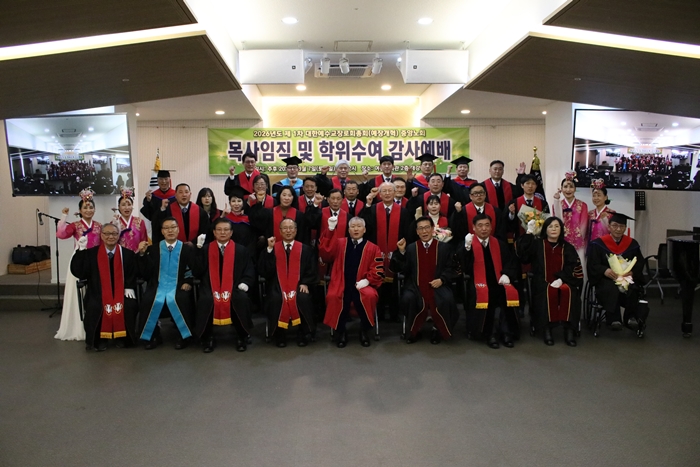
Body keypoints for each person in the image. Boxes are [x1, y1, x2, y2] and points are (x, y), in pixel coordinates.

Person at [70, 223, 139, 351]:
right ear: (101, 235)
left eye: (114, 233)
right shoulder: (91, 254)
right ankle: (99, 340)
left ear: (118, 235)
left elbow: (132, 273)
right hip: (98, 291)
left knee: (129, 305)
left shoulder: (127, 254)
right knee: (94, 305)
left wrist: (129, 286)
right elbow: (80, 272)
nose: (110, 236)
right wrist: (80, 252)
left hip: (122, 291)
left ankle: (123, 337)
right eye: (107, 233)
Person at [391, 216, 459, 344]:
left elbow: (453, 268)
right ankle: (414, 331)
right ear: (417, 232)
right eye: (421, 228)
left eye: (427, 227)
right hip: (415, 287)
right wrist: (401, 252)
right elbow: (402, 269)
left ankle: (437, 330)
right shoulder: (411, 248)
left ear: (433, 229)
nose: (424, 231)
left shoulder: (444, 248)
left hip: (439, 285)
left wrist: (442, 279)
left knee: (447, 299)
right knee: (408, 298)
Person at [516, 217, 583, 346]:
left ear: (561, 229)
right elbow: (523, 256)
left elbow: (572, 266)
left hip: (563, 280)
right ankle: (547, 329)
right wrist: (528, 234)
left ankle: (569, 330)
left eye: (557, 226)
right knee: (546, 292)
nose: (553, 229)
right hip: (542, 281)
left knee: (569, 291)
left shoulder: (568, 247)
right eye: (550, 226)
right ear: (545, 229)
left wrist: (561, 279)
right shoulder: (537, 244)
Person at [136, 217, 202, 350]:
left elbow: (193, 269)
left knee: (181, 298)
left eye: (173, 227)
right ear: (162, 231)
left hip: (179, 285)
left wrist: (188, 281)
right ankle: (153, 336)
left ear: (178, 230)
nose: (170, 230)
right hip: (157, 285)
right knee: (149, 299)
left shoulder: (187, 249)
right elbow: (146, 272)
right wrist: (142, 255)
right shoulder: (153, 249)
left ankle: (183, 336)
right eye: (166, 228)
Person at [319, 216, 384, 348]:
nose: (356, 229)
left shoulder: (373, 248)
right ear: (348, 230)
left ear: (364, 230)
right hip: (341, 283)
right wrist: (330, 229)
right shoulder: (339, 244)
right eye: (353, 226)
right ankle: (341, 332)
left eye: (359, 226)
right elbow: (326, 254)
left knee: (369, 296)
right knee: (333, 296)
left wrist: (367, 280)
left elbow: (378, 269)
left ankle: (364, 331)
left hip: (362, 284)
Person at [460, 213, 520, 349]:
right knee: (488, 295)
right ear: (473, 227)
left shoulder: (499, 244)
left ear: (491, 227)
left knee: (507, 293)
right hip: (477, 282)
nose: (484, 229)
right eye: (480, 226)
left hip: (498, 280)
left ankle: (507, 333)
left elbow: (510, 263)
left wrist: (507, 274)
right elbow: (462, 266)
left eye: (487, 225)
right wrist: (466, 248)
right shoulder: (469, 243)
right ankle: (490, 334)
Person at [195, 218, 255, 353]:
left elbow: (249, 269)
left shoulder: (241, 250)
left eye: (226, 230)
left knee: (240, 299)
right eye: (219, 230)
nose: (222, 233)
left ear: (231, 232)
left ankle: (242, 336)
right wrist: (198, 250)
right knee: (206, 300)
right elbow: (197, 271)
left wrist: (245, 282)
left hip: (234, 286)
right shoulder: (206, 249)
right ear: (214, 232)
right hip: (210, 287)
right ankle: (208, 337)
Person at [258, 219, 317, 347]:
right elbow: (265, 271)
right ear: (280, 231)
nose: (288, 231)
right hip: (277, 286)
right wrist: (269, 250)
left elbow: (312, 269)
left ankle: (303, 333)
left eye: (291, 228)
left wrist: (305, 283)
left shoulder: (305, 250)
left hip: (299, 285)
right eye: (285, 228)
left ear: (296, 231)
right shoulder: (272, 249)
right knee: (275, 299)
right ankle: (279, 334)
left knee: (303, 298)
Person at [586, 213, 648, 334]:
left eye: (621, 226)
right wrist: (605, 270)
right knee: (611, 287)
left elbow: (640, 262)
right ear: (609, 227)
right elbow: (593, 263)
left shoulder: (632, 244)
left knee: (633, 287)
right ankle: (614, 319)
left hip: (626, 278)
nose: (618, 229)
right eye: (615, 225)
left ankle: (630, 317)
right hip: (607, 279)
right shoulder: (598, 244)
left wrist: (632, 272)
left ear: (625, 228)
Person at [55, 189, 103, 341]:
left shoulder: (99, 226)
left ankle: (95, 324)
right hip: (80, 261)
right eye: (85, 208)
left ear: (94, 209)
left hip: (95, 260)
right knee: (78, 294)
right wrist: (64, 217)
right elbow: (61, 234)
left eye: (91, 207)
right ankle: (78, 326)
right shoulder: (75, 225)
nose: (88, 210)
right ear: (80, 211)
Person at [361, 181, 411, 321]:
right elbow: (365, 227)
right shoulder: (372, 209)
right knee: (377, 282)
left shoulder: (403, 211)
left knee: (395, 284)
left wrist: (402, 248)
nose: (387, 193)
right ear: (380, 194)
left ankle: (395, 314)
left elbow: (407, 232)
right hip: (376, 254)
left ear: (395, 193)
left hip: (397, 255)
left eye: (390, 191)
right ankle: (379, 313)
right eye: (384, 191)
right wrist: (367, 204)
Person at [551, 172, 588, 259]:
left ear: (575, 189)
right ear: (561, 189)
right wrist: (556, 202)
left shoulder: (582, 205)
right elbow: (557, 223)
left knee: (579, 264)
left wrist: (578, 239)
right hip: (562, 241)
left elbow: (584, 225)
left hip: (578, 242)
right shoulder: (557, 204)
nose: (568, 190)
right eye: (565, 187)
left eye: (571, 187)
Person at [225, 186, 259, 254]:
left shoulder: (249, 220)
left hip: (247, 253)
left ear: (243, 203)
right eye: (233, 201)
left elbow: (253, 240)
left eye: (239, 201)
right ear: (229, 203)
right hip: (229, 252)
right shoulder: (225, 220)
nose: (236, 204)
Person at [114, 188, 149, 252]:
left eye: (129, 204)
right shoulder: (115, 222)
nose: (126, 208)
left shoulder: (140, 222)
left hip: (137, 255)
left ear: (132, 206)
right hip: (121, 255)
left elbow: (144, 241)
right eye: (123, 205)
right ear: (119, 207)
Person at [587, 179, 615, 243]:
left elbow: (613, 232)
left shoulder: (611, 213)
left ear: (605, 197)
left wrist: (605, 220)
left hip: (606, 245)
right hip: (592, 245)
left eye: (599, 195)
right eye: (594, 196)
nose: (596, 198)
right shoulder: (590, 213)